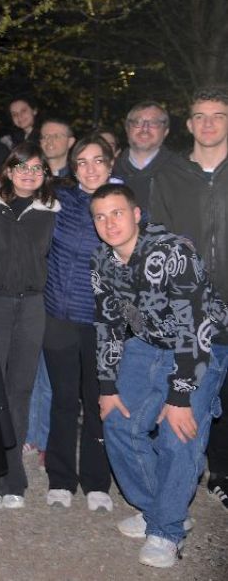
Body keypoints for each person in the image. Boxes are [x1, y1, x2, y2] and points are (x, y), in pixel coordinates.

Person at [90, 183, 228, 568]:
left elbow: (195, 326)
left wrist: (181, 396)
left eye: (117, 213)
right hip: (147, 344)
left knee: (177, 433)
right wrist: (106, 385)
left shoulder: (172, 251)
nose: (109, 223)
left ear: (136, 214)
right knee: (117, 420)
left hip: (202, 347)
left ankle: (166, 531)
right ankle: (164, 511)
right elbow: (107, 323)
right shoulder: (102, 259)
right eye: (100, 217)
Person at [150, 85, 228, 511]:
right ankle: (171, 510)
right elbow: (158, 244)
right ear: (189, 123)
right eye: (200, 115)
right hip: (194, 316)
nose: (209, 123)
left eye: (218, 115)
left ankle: (222, 472)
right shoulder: (171, 176)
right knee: (188, 409)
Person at [0, 143, 59, 509]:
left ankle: (12, 473)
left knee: (20, 391)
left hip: (32, 305)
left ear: (45, 175)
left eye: (37, 168)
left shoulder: (53, 209)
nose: (29, 173)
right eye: (21, 166)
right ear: (7, 169)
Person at [42, 135, 116, 511]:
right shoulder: (59, 200)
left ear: (110, 163)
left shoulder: (122, 205)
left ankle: (97, 481)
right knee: (64, 399)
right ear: (73, 167)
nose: (90, 168)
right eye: (82, 162)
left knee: (98, 400)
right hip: (59, 316)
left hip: (102, 323)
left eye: (98, 160)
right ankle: (60, 478)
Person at [112, 101, 174, 217]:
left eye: (154, 123)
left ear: (165, 131)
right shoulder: (107, 171)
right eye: (137, 122)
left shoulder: (182, 172)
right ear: (127, 128)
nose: (145, 128)